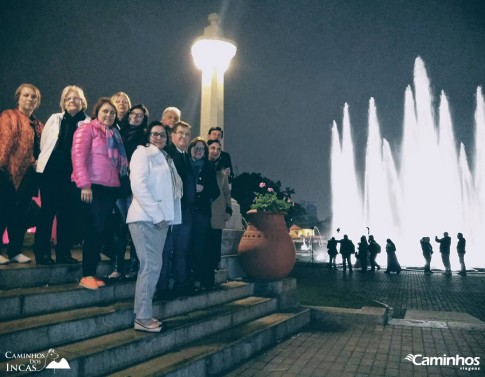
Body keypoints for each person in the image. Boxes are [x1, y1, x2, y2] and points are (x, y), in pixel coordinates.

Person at [127, 122, 182, 332]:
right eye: (155, 134)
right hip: (146, 218)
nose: (159, 137)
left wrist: (170, 219)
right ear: (148, 135)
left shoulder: (165, 158)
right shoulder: (142, 153)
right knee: (150, 266)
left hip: (160, 221)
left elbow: (171, 191)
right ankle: (142, 317)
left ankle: (143, 313)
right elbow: (138, 186)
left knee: (153, 266)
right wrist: (158, 215)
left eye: (162, 135)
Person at [71, 98, 128, 290]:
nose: (109, 115)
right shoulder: (87, 129)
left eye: (112, 113)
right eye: (105, 111)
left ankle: (91, 273)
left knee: (101, 231)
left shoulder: (114, 134)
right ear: (97, 112)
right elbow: (78, 156)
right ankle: (87, 274)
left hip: (110, 188)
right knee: (93, 231)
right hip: (94, 187)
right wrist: (84, 184)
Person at [34, 85, 89, 265]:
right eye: (68, 98)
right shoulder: (54, 119)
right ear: (63, 102)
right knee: (47, 212)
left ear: (83, 102)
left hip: (73, 175)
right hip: (51, 172)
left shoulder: (88, 123)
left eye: (76, 98)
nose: (72, 101)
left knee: (67, 215)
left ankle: (63, 253)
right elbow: (45, 144)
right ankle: (41, 253)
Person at [0, 83, 44, 265]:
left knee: (20, 214)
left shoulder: (38, 124)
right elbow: (4, 141)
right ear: (18, 98)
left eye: (33, 97)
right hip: (6, 171)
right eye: (26, 95)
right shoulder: (8, 116)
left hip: (28, 175)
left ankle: (15, 251)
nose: (29, 99)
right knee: (3, 210)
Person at [105, 104, 149, 280]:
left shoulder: (144, 137)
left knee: (134, 228)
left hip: (134, 187)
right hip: (118, 184)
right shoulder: (118, 131)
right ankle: (117, 266)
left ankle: (133, 266)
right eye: (133, 114)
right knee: (119, 227)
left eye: (140, 115)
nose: (135, 117)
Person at [157, 121, 195, 298]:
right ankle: (163, 287)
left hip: (185, 213)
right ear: (172, 135)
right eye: (180, 133)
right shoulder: (167, 155)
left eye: (187, 134)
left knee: (181, 250)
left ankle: (181, 283)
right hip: (171, 212)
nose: (184, 137)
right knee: (166, 250)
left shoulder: (186, 156)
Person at [188, 137, 220, 290]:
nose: (198, 151)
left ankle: (202, 279)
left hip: (201, 212)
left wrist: (203, 190)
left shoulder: (208, 168)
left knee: (200, 245)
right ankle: (188, 277)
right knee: (186, 245)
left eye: (201, 149)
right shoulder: (185, 164)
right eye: (195, 147)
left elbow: (216, 191)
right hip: (186, 210)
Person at [207, 139, 232, 273]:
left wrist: (228, 209)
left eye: (218, 149)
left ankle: (214, 266)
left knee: (215, 241)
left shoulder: (222, 171)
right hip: (204, 210)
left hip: (218, 211)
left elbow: (226, 192)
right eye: (212, 148)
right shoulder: (202, 165)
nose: (215, 151)